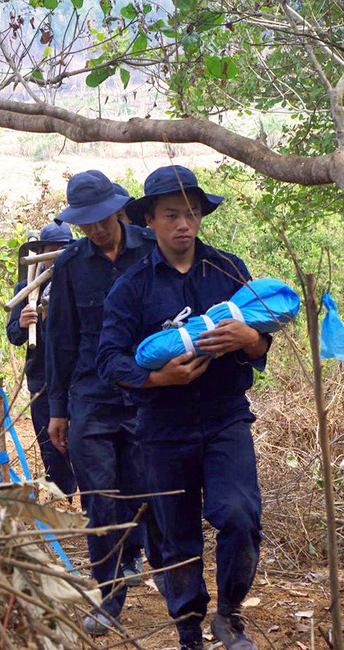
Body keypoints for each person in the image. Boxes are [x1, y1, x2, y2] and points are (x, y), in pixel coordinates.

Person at [97, 165, 269, 650]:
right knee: (175, 537)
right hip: (161, 428)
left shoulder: (230, 271)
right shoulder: (131, 287)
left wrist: (252, 339)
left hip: (225, 418)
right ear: (148, 220)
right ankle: (189, 630)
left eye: (192, 213)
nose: (184, 224)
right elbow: (108, 359)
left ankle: (230, 614)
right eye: (172, 214)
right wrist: (157, 377)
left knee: (238, 515)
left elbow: (263, 336)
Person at [45, 170, 160, 635]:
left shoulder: (153, 249)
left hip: (147, 392)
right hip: (90, 396)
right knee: (99, 499)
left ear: (119, 209)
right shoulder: (71, 264)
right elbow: (61, 340)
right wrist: (58, 408)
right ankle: (109, 597)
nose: (95, 229)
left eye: (101, 219)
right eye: (85, 222)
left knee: (144, 492)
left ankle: (169, 581)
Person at [6, 222, 76, 495]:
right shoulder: (25, 290)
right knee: (50, 443)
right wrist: (23, 323)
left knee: (80, 442)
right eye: (52, 250)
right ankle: (62, 497)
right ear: (41, 252)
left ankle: (82, 498)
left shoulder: (78, 283)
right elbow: (14, 336)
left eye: (63, 249)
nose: (57, 255)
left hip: (74, 378)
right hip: (42, 379)